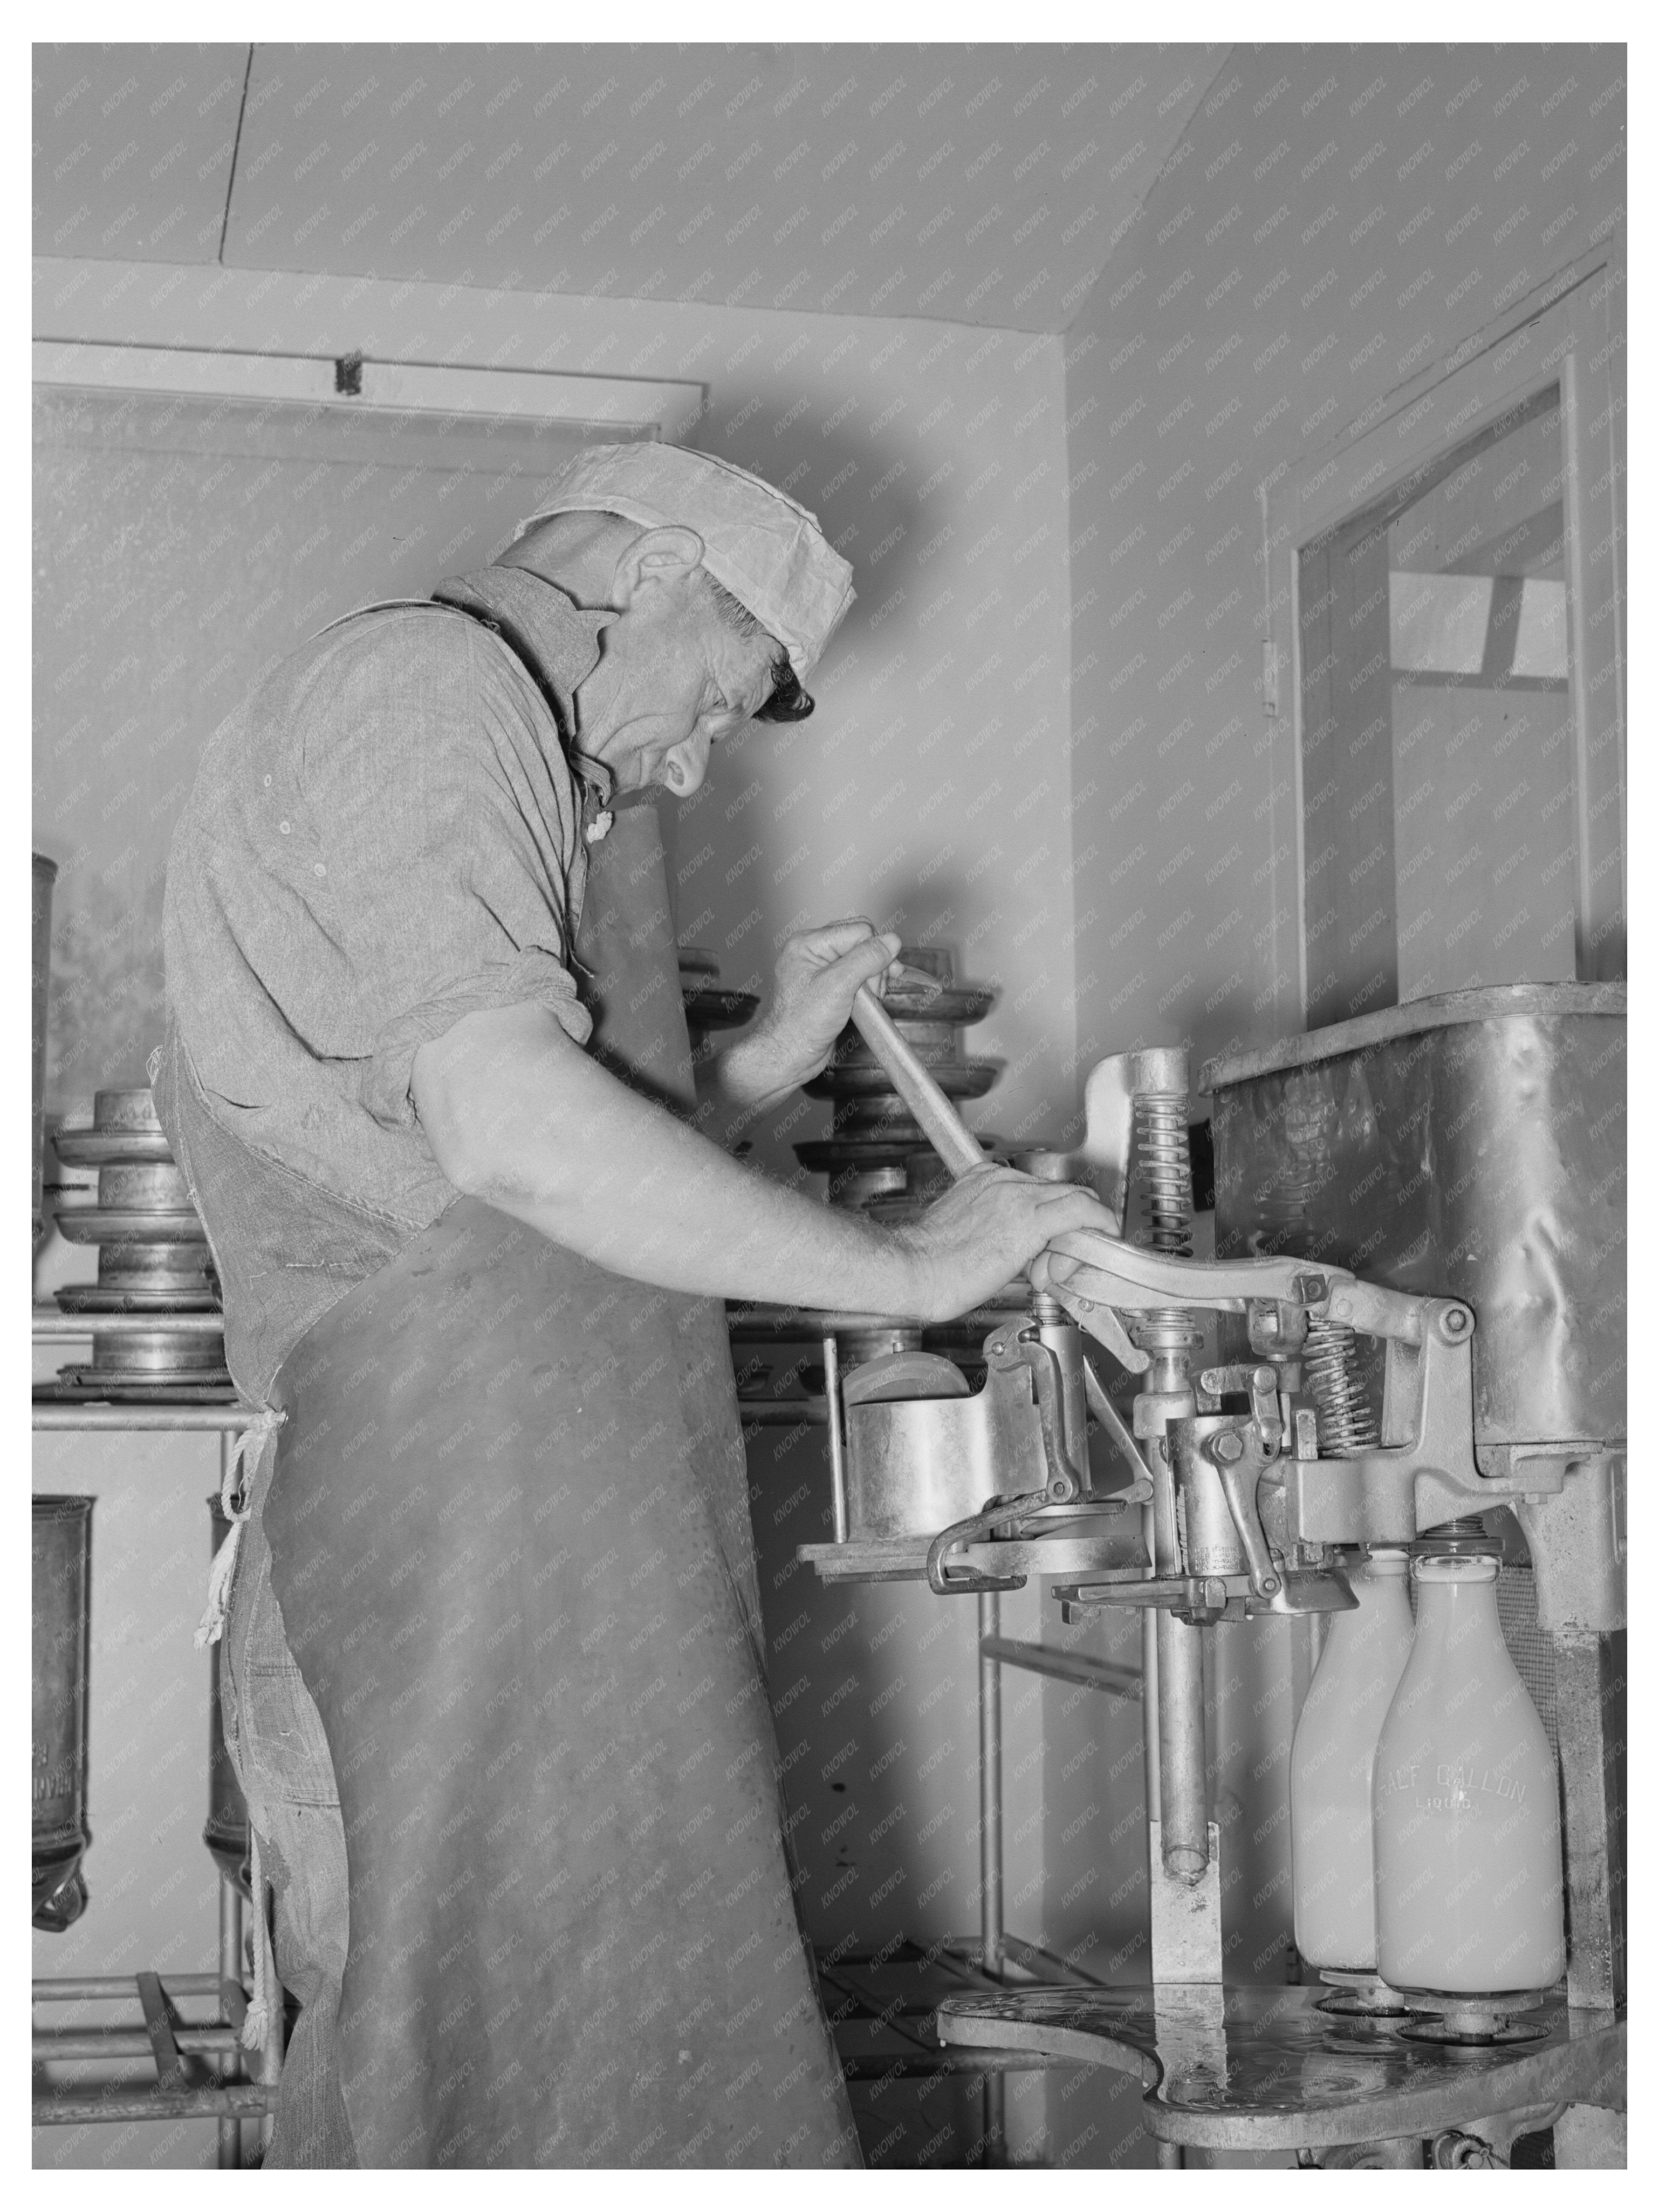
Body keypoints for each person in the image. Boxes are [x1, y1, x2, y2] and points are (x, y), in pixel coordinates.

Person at [157, 441, 1115, 2167]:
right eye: (724, 700)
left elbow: (475, 1190)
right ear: (658, 561)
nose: (690, 761)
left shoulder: (498, 731)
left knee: (585, 2091)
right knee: (451, 2110)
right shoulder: (429, 687)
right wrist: (913, 1266)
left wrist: (752, 1070)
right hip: (417, 1572)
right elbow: (508, 1135)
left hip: (507, 1551)